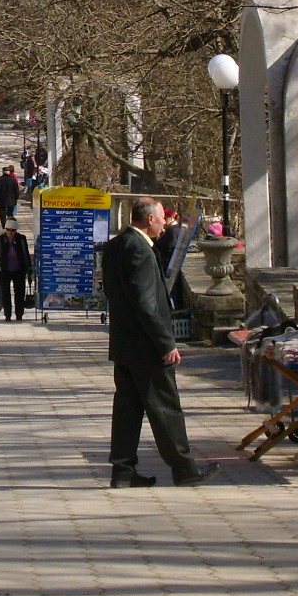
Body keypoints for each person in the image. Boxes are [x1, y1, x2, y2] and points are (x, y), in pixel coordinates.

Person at [103, 196, 219, 489]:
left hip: (125, 344)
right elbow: (146, 303)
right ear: (151, 219)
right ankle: (184, 468)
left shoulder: (116, 244)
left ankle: (123, 470)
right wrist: (166, 343)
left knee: (128, 409)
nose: (165, 224)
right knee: (165, 407)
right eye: (162, 219)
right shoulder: (139, 249)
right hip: (146, 346)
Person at [0, 219, 33, 322]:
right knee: (5, 293)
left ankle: (19, 314)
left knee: (19, 292)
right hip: (4, 270)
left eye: (12, 230)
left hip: (19, 269)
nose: (10, 232)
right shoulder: (0, 239)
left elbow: (25, 254)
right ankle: (7, 314)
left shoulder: (21, 239)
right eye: (8, 230)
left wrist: (29, 269)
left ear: (16, 230)